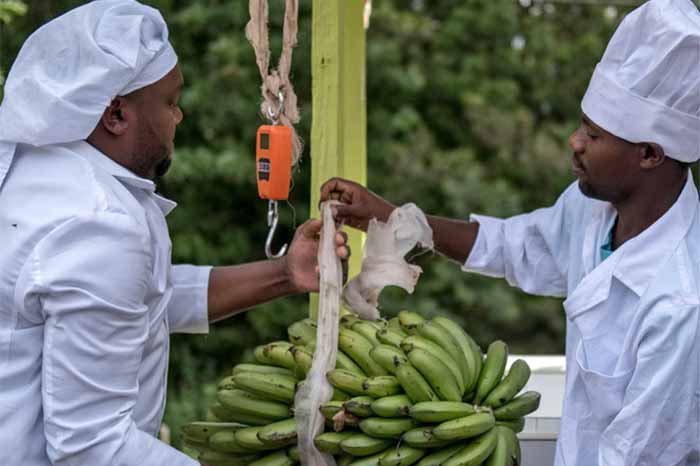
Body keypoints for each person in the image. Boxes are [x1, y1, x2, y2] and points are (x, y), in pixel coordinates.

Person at [321, 0, 700, 464]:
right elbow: (515, 246)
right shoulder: (595, 207)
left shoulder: (680, 305)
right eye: (582, 124)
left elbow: (636, 456)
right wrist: (398, 219)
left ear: (649, 155)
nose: (574, 142)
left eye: (594, 135)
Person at [0, 1, 348, 465]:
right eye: (170, 102)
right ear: (117, 114)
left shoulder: (41, 175)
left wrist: (284, 274)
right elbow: (92, 447)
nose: (178, 118)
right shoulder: (97, 223)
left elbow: (138, 299)